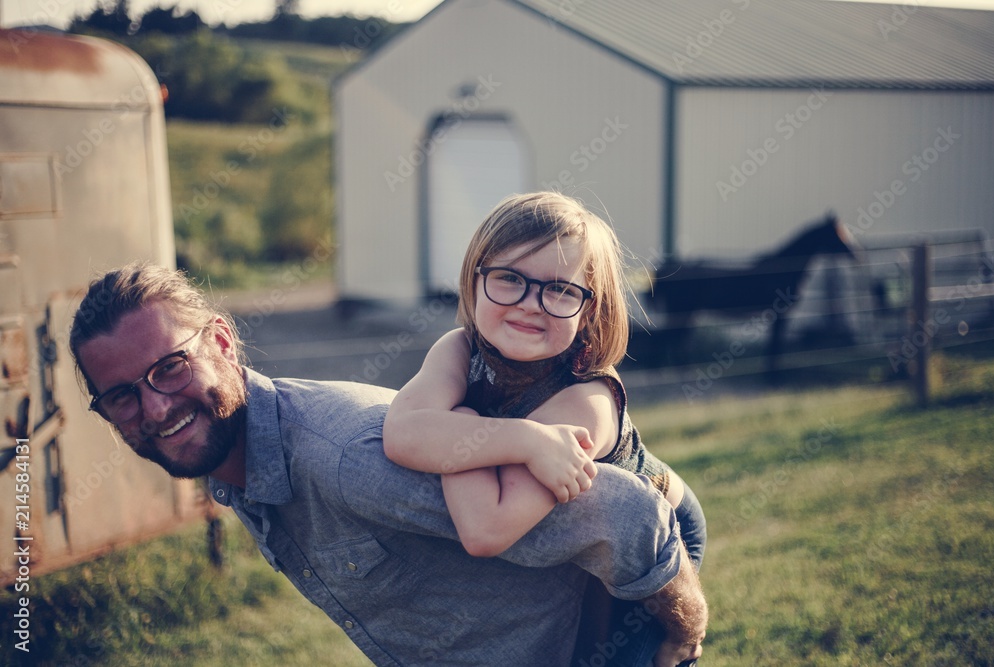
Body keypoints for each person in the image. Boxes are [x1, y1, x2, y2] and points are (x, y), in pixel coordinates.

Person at [69, 261, 707, 667]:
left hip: (596, 638)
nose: (154, 407)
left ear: (223, 343)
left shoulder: (347, 459)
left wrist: (682, 631)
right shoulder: (240, 467)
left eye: (170, 367)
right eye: (123, 395)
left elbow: (627, 511)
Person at [383, 191, 707, 666]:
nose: (531, 304)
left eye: (560, 289)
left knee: (623, 653)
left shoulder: (584, 400)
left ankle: (682, 643)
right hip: (578, 525)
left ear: (589, 309)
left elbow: (485, 528)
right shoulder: (458, 349)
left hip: (658, 529)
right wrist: (518, 438)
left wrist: (455, 428)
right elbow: (403, 433)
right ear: (475, 280)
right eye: (510, 278)